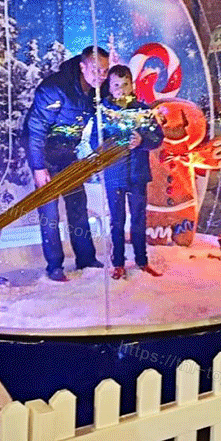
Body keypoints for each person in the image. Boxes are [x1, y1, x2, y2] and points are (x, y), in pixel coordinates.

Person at [23, 45, 109, 282]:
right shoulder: (54, 89)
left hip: (68, 154)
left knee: (77, 205)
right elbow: (35, 130)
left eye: (104, 71)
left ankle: (86, 258)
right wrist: (38, 167)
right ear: (82, 67)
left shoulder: (96, 91)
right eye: (95, 70)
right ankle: (54, 266)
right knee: (50, 212)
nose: (100, 76)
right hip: (44, 154)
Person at [90, 64, 164, 279]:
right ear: (109, 87)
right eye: (116, 85)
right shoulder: (103, 113)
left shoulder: (143, 110)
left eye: (125, 85)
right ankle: (118, 263)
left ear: (132, 85)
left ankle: (142, 260)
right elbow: (96, 139)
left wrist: (142, 141)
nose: (121, 90)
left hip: (138, 174)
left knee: (139, 218)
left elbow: (157, 137)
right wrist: (109, 147)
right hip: (114, 175)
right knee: (117, 219)